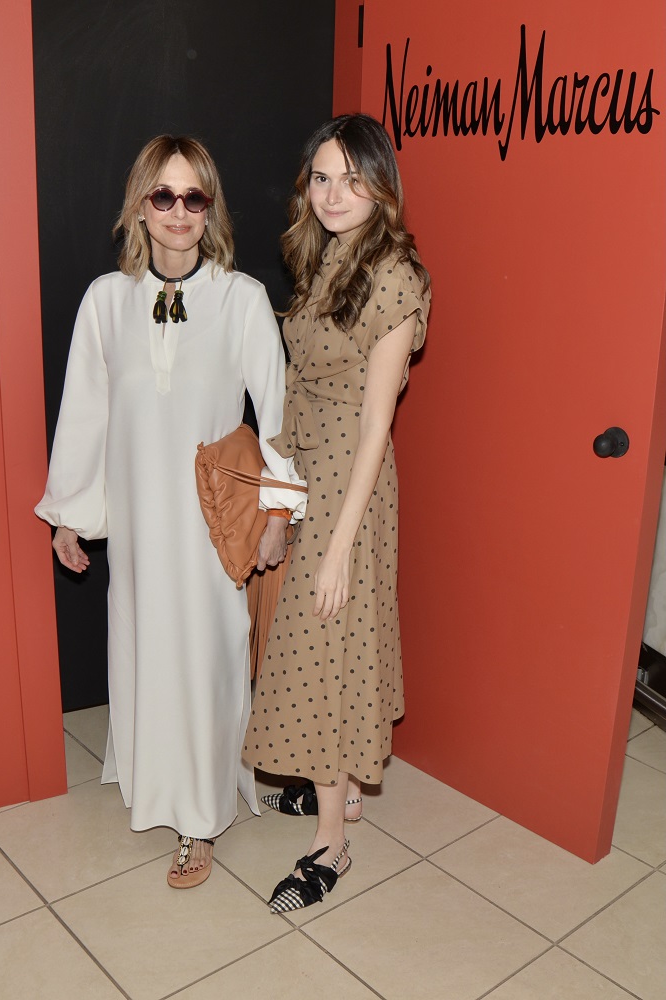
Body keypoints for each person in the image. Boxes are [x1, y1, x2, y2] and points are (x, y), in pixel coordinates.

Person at [35, 135, 306, 888]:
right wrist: (70, 517)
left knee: (211, 661)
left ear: (210, 207)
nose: (179, 212)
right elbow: (84, 415)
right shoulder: (105, 299)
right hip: (139, 524)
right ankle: (152, 781)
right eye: (164, 196)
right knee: (146, 652)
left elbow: (278, 416)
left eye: (195, 197)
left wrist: (279, 515)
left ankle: (199, 817)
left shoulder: (240, 298)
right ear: (140, 206)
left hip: (211, 527)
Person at [242, 113, 431, 912]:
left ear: (380, 185)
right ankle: (340, 792)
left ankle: (332, 845)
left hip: (354, 484)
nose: (332, 194)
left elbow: (377, 425)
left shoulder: (396, 275)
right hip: (310, 471)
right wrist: (283, 504)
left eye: (351, 179)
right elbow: (291, 398)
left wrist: (338, 545)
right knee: (332, 645)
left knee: (324, 647)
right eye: (320, 177)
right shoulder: (321, 261)